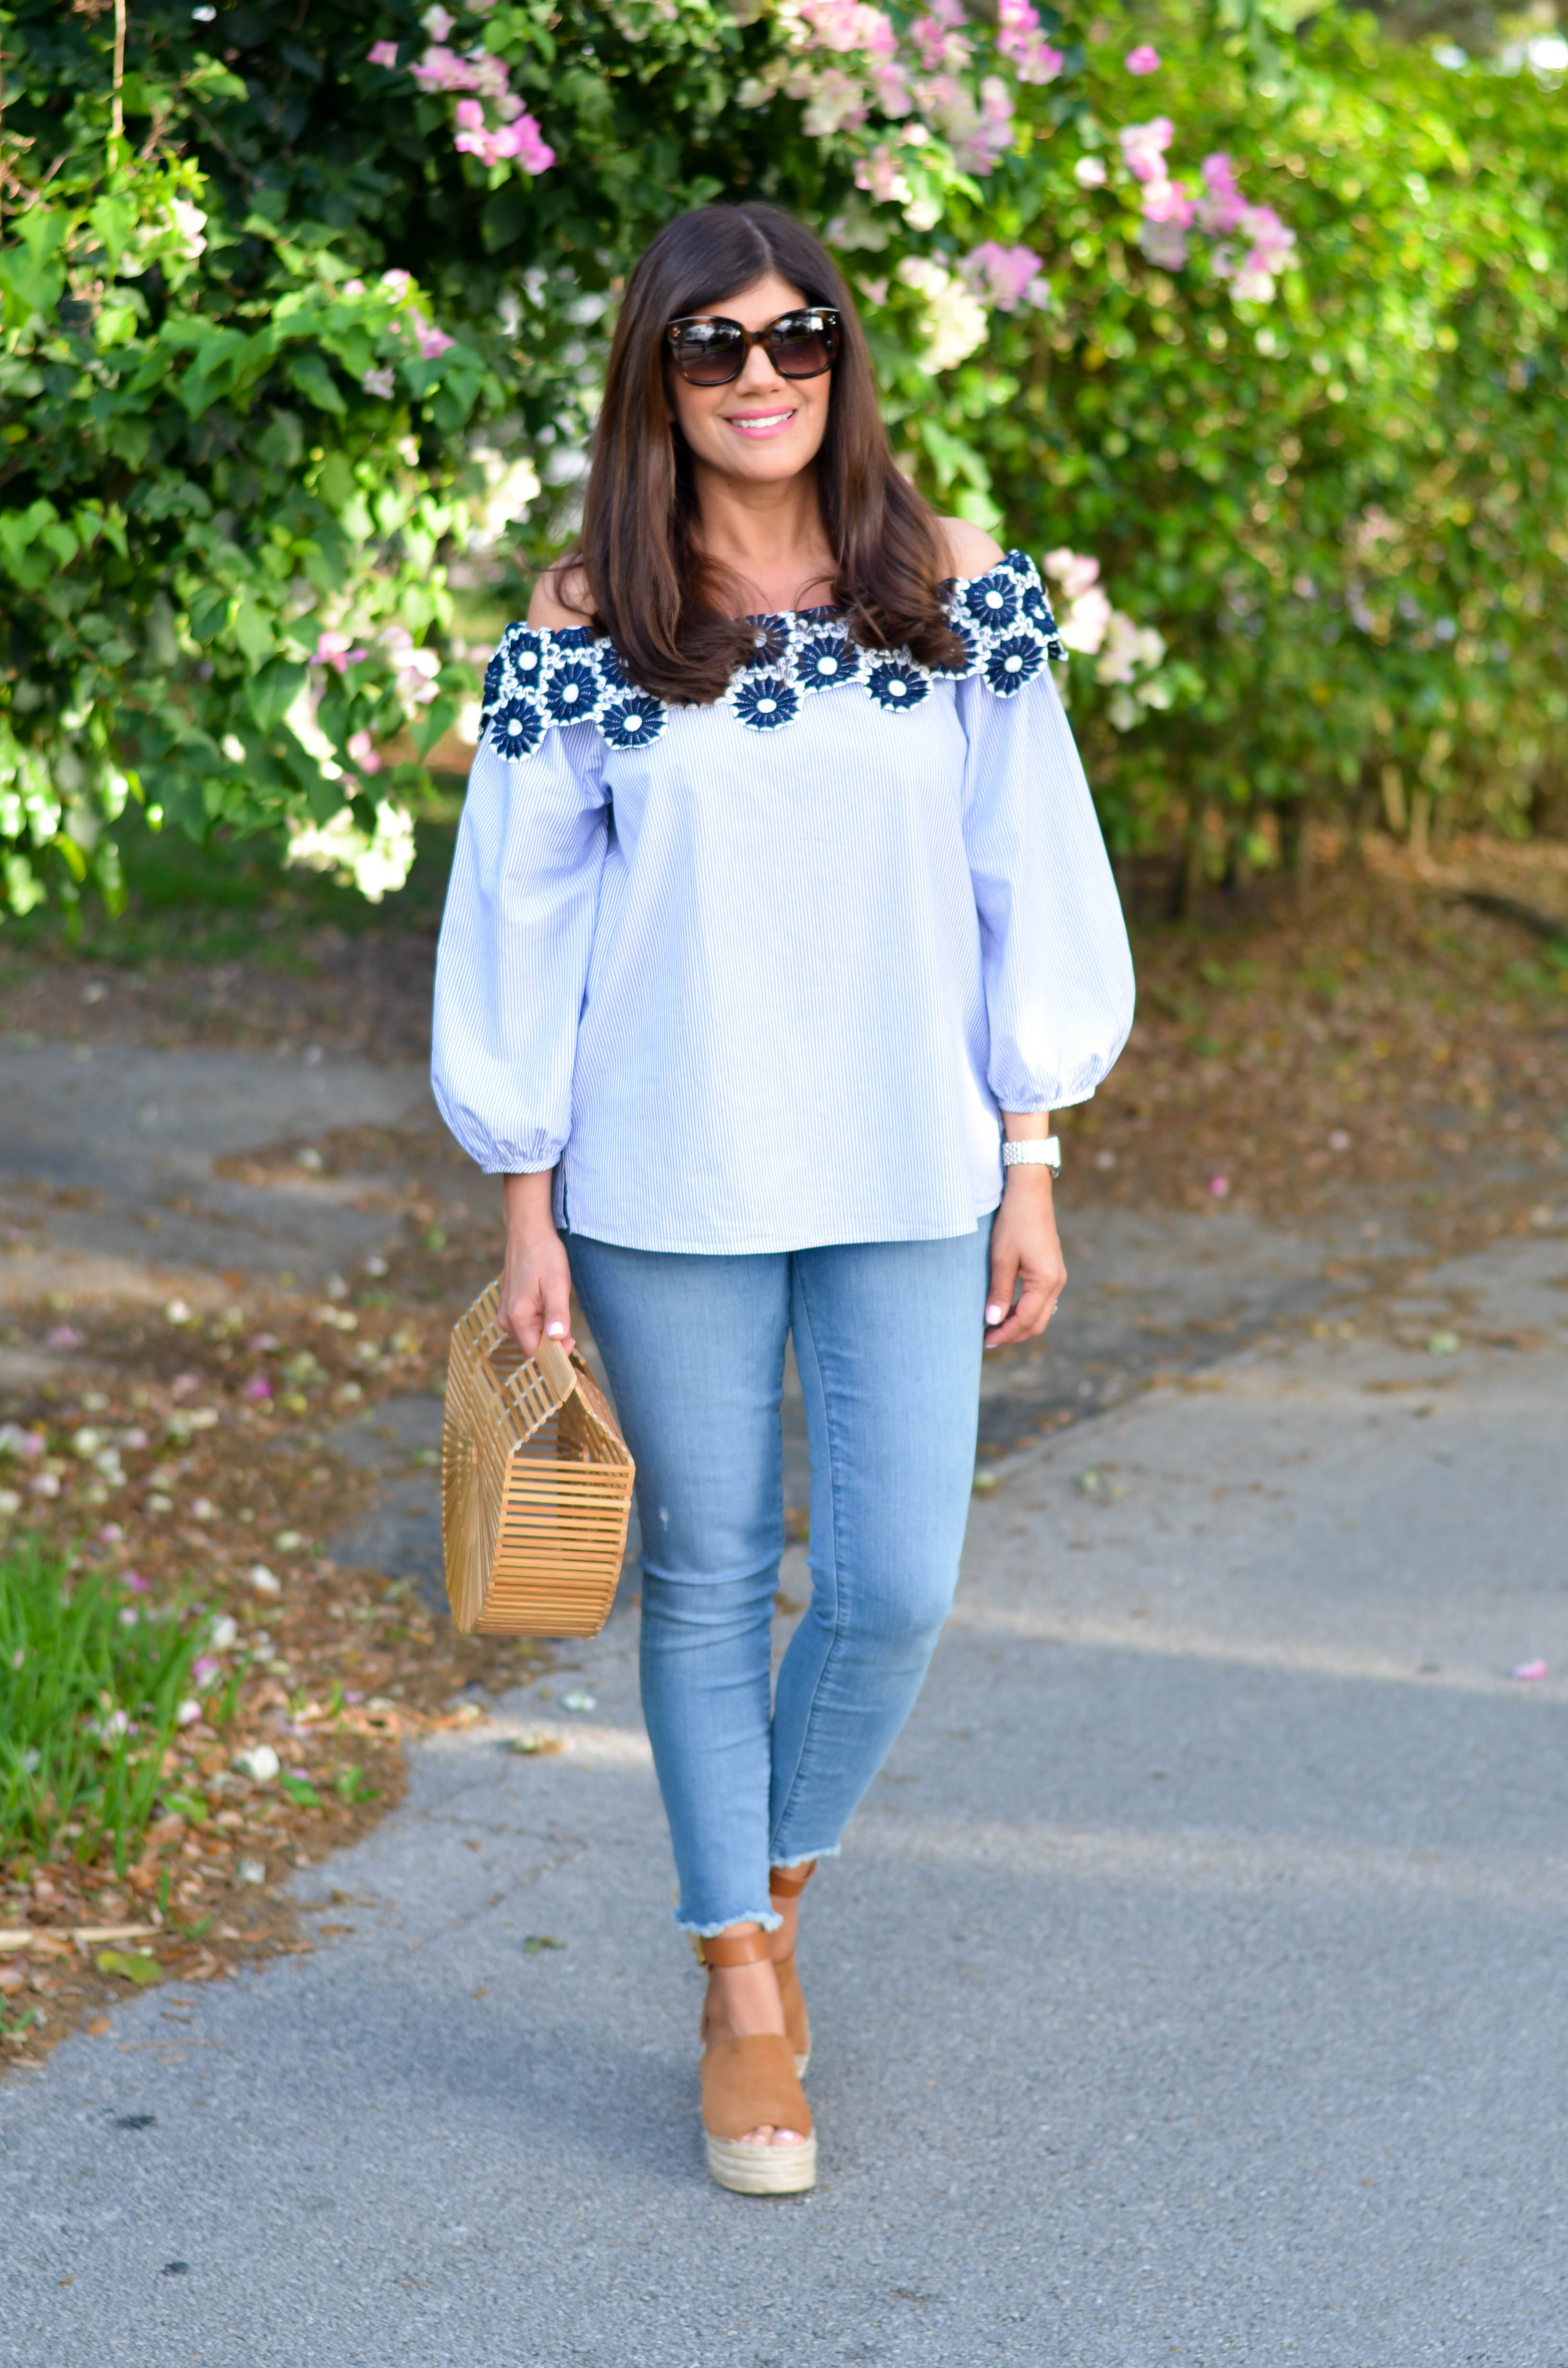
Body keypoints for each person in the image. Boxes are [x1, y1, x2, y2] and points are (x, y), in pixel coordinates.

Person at [431, 201, 1134, 2195]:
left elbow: (1034, 886)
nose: (762, 375)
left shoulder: (959, 593)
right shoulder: (586, 627)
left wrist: (1033, 1158)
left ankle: (770, 1881)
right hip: (666, 1167)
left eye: (799, 335)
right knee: (710, 1576)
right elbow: (522, 931)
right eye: (716, 344)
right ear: (658, 376)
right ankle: (739, 1978)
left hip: (915, 1159)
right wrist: (525, 1195)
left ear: (845, 358)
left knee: (900, 1577)